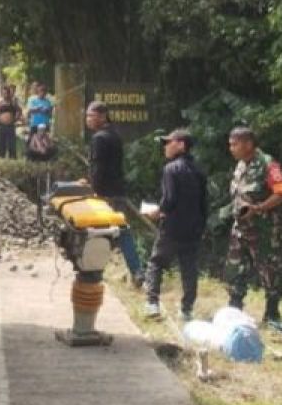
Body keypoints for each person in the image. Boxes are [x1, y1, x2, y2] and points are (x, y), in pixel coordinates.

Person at [225, 126, 282, 324]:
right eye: (230, 144)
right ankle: (234, 310)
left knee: (269, 272)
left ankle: (272, 314)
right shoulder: (240, 165)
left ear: (248, 144)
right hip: (241, 229)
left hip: (263, 230)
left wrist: (260, 208)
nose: (231, 148)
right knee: (235, 270)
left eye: (234, 144)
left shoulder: (268, 164)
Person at [143, 129, 207, 320]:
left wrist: (157, 211)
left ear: (181, 144)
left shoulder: (171, 169)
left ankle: (152, 304)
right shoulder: (199, 170)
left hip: (171, 227)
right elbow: (204, 203)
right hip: (193, 227)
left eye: (168, 142)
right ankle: (187, 310)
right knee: (189, 268)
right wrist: (201, 226)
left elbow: (169, 199)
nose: (165, 146)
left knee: (156, 263)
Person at [85, 101, 143, 283]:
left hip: (105, 194)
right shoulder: (115, 135)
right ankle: (137, 271)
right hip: (118, 190)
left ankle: (94, 270)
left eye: (91, 116)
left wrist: (94, 190)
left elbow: (98, 168)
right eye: (87, 116)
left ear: (102, 116)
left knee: (97, 232)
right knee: (123, 230)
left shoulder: (99, 138)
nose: (88, 120)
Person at [0, 84, 22, 159]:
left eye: (6, 93)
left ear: (9, 93)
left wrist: (16, 118)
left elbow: (19, 110)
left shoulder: (13, 103)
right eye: (3, 93)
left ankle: (12, 158)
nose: (5, 95)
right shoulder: (0, 103)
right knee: (1, 143)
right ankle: (0, 157)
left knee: (11, 144)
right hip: (2, 126)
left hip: (10, 126)